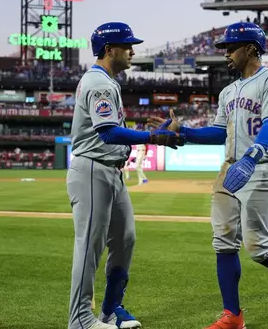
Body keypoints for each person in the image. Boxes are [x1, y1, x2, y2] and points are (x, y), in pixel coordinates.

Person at [148, 22, 268, 329]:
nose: (226, 54)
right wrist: (183, 133)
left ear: (251, 48)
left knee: (258, 249)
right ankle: (233, 316)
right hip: (229, 168)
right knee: (223, 243)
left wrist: (253, 156)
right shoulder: (228, 91)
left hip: (259, 167)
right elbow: (219, 132)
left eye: (231, 48)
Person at [66, 22, 185, 329]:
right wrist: (154, 137)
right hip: (93, 168)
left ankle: (108, 311)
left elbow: (114, 132)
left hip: (111, 171)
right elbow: (107, 133)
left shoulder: (106, 81)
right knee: (89, 245)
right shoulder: (100, 83)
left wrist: (155, 133)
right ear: (110, 50)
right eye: (127, 45)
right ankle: (80, 320)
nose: (133, 50)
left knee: (125, 239)